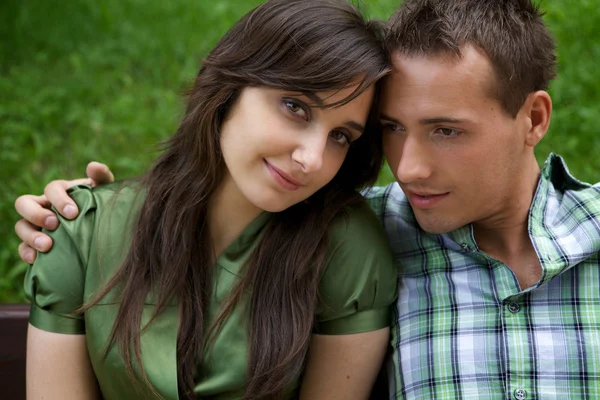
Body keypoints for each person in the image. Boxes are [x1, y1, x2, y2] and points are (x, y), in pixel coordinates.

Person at [16, 0, 600, 399]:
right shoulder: (363, 231)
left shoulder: (349, 244)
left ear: (534, 119)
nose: (410, 168)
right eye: (392, 129)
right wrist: (81, 220)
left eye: (446, 130)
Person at [12, 1, 398, 399]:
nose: (312, 159)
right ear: (230, 88)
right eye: (296, 107)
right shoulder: (82, 230)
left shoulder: (346, 251)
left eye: (340, 136)